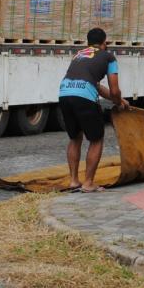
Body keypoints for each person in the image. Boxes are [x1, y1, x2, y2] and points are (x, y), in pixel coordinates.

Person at [58, 28, 129, 192]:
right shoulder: (109, 57)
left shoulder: (79, 54)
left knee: (75, 138)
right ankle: (88, 183)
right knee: (96, 139)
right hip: (84, 97)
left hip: (64, 93)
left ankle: (74, 181)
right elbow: (114, 89)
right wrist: (118, 101)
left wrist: (120, 100)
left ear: (88, 42)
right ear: (105, 43)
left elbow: (96, 86)